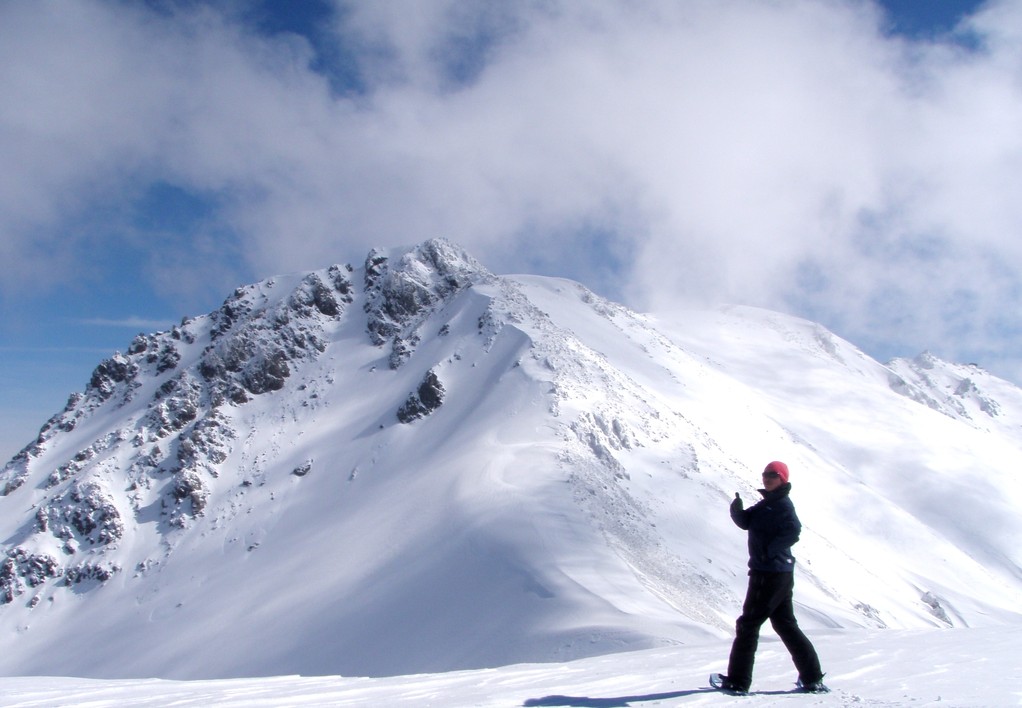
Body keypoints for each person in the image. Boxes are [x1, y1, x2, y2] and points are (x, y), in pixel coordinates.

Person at [713, 461, 828, 695]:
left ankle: (737, 681)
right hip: (778, 573)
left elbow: (794, 530)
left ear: (782, 479)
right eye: (765, 474)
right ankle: (812, 678)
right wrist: (736, 510)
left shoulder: (782, 505)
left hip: (768, 573)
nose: (767, 478)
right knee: (785, 624)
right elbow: (747, 522)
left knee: (748, 625)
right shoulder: (768, 503)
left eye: (773, 475)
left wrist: (769, 551)